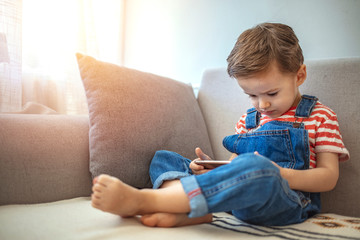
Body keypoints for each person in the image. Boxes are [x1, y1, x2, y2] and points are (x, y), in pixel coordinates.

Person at [91, 23, 349, 227]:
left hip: (288, 202)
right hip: (238, 195)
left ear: (299, 75)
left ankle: (145, 200)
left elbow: (328, 178)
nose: (262, 105)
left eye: (271, 93)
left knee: (256, 169)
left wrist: (279, 173)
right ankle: (192, 210)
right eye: (251, 95)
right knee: (164, 158)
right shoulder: (249, 120)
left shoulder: (319, 116)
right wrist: (211, 170)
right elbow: (235, 164)